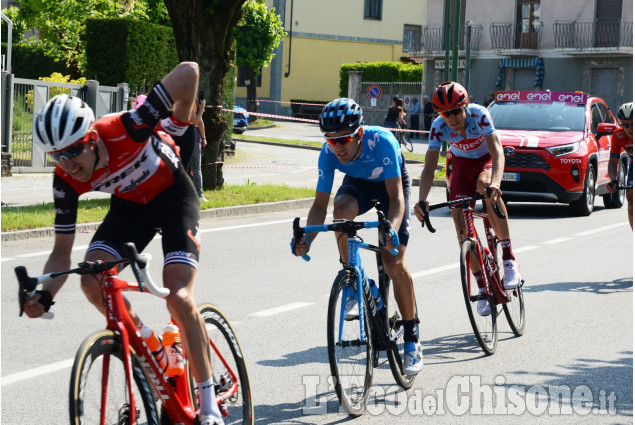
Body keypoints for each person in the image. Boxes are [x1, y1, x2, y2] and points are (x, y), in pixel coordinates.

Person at [26, 62, 225, 425]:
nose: (67, 165)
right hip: (131, 210)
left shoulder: (128, 127)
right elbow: (61, 252)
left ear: (91, 139)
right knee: (92, 279)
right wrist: (43, 295)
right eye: (57, 157)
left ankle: (209, 404)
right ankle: (150, 344)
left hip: (174, 199)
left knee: (179, 297)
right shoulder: (65, 181)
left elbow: (190, 72)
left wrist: (179, 123)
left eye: (72, 152)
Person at [291, 98, 423, 375]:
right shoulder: (328, 154)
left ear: (360, 134)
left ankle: (412, 339)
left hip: (390, 188)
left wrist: (391, 229)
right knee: (341, 210)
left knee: (393, 262)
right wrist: (307, 239)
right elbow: (319, 206)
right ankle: (355, 280)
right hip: (358, 186)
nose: (337, 147)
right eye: (331, 140)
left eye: (344, 140)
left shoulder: (383, 141)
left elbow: (397, 198)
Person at [413, 82, 521, 317]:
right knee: (461, 227)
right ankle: (483, 286)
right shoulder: (438, 126)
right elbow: (429, 168)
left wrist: (496, 183)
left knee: (485, 186)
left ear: (464, 107)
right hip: (461, 166)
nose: (450, 118)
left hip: (484, 161)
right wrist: (422, 199)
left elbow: (497, 151)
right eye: (445, 113)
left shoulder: (479, 115)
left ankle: (508, 258)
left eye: (454, 111)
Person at [607, 102, 633, 229]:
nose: (630, 129)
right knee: (631, 199)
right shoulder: (618, 135)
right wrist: (613, 180)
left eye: (633, 124)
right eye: (625, 125)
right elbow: (612, 162)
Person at [190, 95, 208, 202]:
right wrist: (201, 108)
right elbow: (197, 121)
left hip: (181, 137)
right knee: (196, 168)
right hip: (193, 139)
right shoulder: (191, 103)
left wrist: (204, 138)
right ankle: (199, 194)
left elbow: (200, 122)